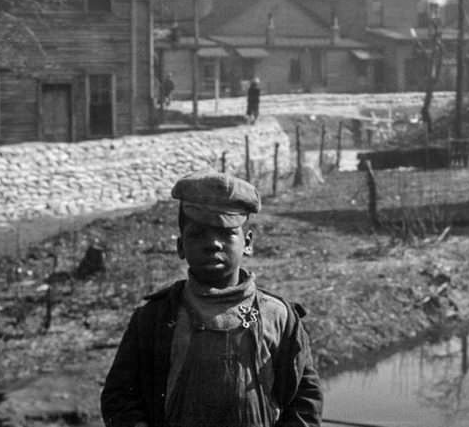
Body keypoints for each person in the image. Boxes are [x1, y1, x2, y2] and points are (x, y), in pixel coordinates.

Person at [100, 171, 323, 427]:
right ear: (180, 246)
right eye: (198, 234)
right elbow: (119, 398)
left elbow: (305, 402)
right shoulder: (155, 317)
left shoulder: (279, 317)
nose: (213, 244)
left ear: (247, 243)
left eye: (226, 233)